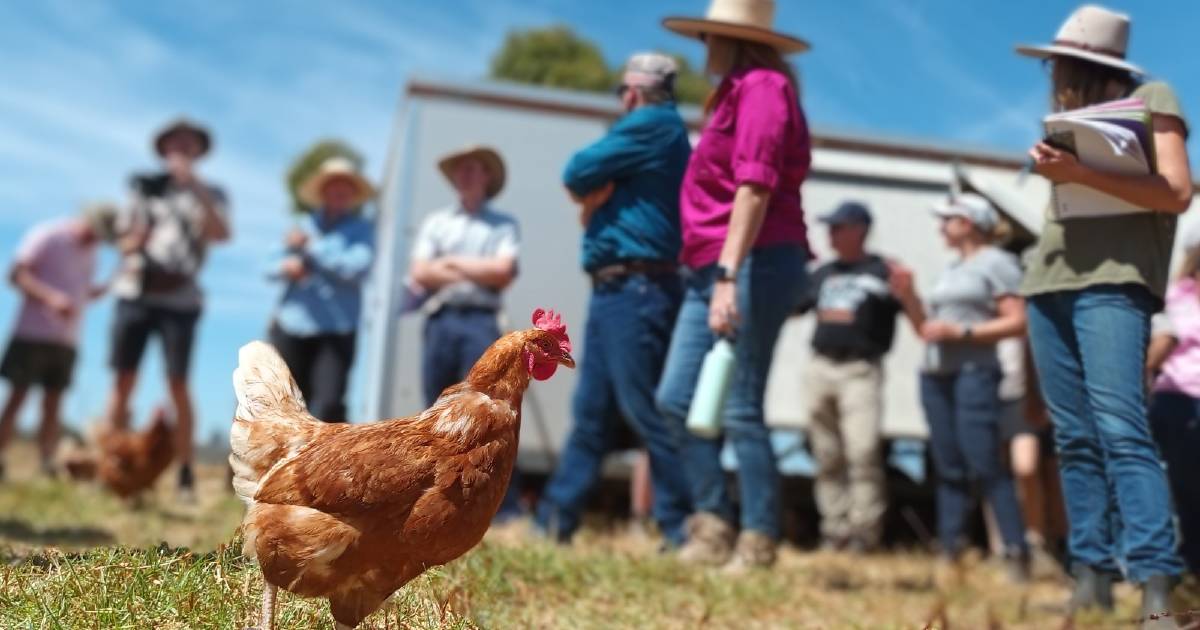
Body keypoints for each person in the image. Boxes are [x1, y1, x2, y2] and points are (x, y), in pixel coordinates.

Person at [1016, 5, 1191, 617]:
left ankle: (1156, 584)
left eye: (1056, 62)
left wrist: (1080, 170)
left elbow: (1176, 192)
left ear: (1081, 62)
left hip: (1114, 283)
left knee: (1122, 431)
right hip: (1048, 280)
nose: (1050, 72)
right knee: (1075, 438)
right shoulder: (1066, 119)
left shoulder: (1153, 96)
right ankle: (1089, 577)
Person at [656, 0, 812, 570]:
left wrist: (727, 274)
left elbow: (755, 187)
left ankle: (759, 537)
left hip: (754, 260)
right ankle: (713, 522)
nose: (704, 46)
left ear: (734, 40)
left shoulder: (764, 87)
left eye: (709, 36)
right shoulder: (733, 90)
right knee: (675, 400)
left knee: (741, 405)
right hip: (711, 266)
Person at [535, 53, 693, 547]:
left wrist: (596, 190)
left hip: (637, 288)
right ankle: (556, 522)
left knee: (644, 409)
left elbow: (578, 169)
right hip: (619, 289)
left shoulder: (653, 125)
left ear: (631, 94)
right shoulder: (659, 132)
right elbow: (585, 180)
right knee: (593, 411)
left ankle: (682, 527)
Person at [890, 193, 1030, 581]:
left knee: (984, 462)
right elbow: (925, 329)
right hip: (936, 376)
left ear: (967, 223)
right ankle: (951, 550)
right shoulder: (951, 270)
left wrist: (964, 331)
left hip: (975, 373)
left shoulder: (998, 263)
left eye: (947, 219)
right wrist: (909, 297)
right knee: (948, 465)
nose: (941, 227)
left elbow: (1019, 322)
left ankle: (1015, 551)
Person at [105, 117, 231, 499]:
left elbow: (220, 233)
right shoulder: (142, 187)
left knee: (177, 382)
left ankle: (186, 471)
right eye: (175, 142)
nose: (181, 147)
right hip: (137, 291)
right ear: (163, 149)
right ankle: (114, 465)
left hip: (181, 299)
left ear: (198, 151)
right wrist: (133, 241)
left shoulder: (213, 192)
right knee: (123, 380)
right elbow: (123, 240)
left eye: (188, 143)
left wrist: (196, 187)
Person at [797, 201, 920, 553]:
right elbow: (795, 307)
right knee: (825, 452)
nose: (830, 234)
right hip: (820, 366)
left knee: (863, 451)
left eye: (838, 227)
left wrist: (909, 292)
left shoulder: (883, 270)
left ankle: (864, 533)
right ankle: (834, 530)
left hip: (860, 370)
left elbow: (914, 316)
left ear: (859, 230)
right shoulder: (822, 272)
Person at [409, 145, 520, 519]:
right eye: (461, 169)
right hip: (441, 318)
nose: (466, 175)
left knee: (487, 408)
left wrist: (450, 262)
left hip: (480, 320)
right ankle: (430, 500)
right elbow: (421, 273)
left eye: (473, 169)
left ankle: (496, 506)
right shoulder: (437, 221)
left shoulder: (503, 224)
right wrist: (477, 268)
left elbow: (503, 272)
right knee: (436, 407)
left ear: (487, 177)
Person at [0, 204, 118, 478]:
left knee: (53, 403)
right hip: (32, 333)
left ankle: (46, 462)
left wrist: (98, 291)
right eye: (96, 233)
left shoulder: (92, 253)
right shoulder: (47, 236)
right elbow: (17, 274)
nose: (97, 240)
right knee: (17, 397)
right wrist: (50, 298)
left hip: (66, 339)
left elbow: (81, 291)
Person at [268, 157, 375, 422]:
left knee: (329, 407)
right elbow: (267, 265)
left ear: (353, 194)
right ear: (323, 191)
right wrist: (287, 266)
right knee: (280, 406)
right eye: (333, 185)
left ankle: (328, 464)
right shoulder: (302, 225)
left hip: (336, 332)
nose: (339, 191)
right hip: (291, 325)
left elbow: (356, 267)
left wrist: (311, 248)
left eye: (345, 187)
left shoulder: (362, 230)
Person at [1146, 232, 1200, 577]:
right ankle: (1191, 565)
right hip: (1177, 398)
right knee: (1186, 488)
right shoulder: (1173, 298)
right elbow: (1157, 345)